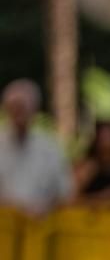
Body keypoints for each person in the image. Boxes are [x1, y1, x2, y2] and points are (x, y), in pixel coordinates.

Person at [0, 79, 71, 216]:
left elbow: (64, 191)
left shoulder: (50, 148)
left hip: (41, 228)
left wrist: (45, 206)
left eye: (22, 108)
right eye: (13, 107)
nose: (18, 113)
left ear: (34, 109)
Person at [73, 120, 110, 206]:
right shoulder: (88, 167)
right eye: (103, 136)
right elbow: (71, 197)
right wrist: (100, 198)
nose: (107, 141)